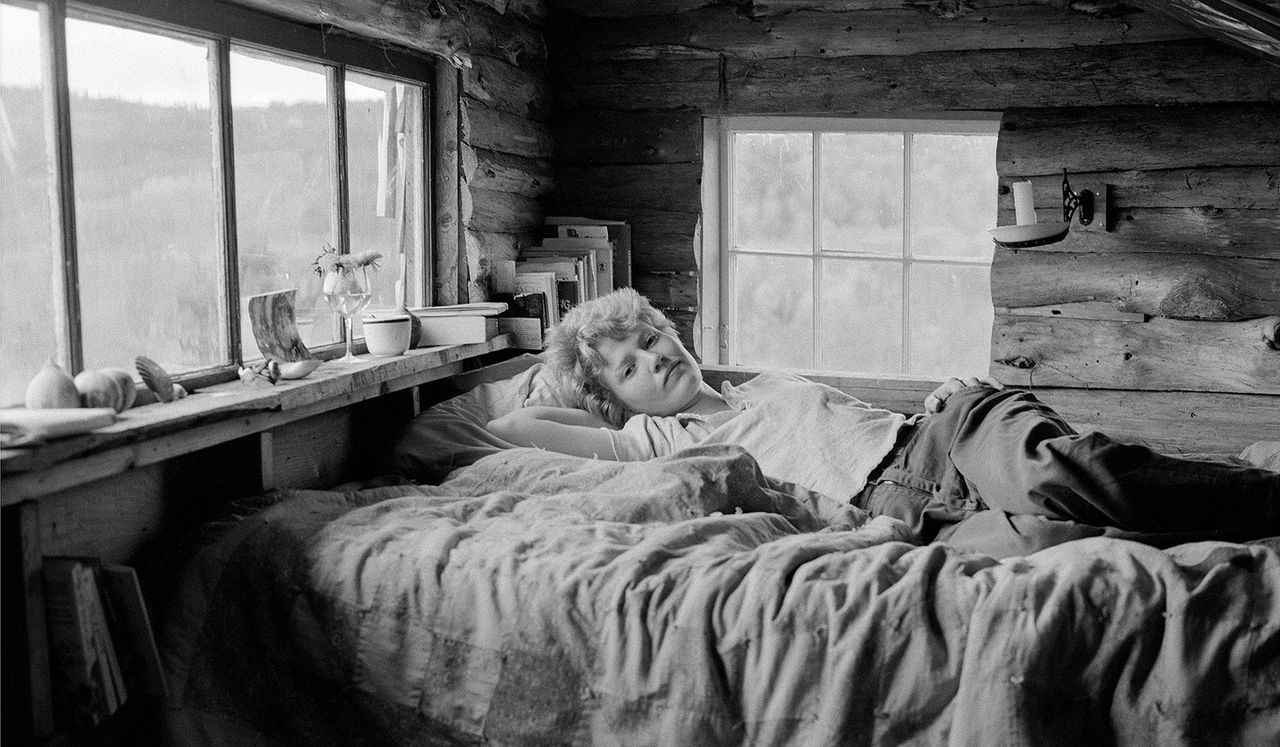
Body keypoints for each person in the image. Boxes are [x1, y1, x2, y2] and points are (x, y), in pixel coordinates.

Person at [486, 289, 1280, 551]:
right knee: (1074, 544)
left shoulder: (767, 382)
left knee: (1059, 475)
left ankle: (1268, 483)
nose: (655, 357)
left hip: (946, 433)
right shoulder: (650, 440)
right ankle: (1246, 480)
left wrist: (944, 401)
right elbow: (513, 430)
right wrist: (560, 372)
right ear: (614, 401)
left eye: (652, 336)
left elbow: (877, 427)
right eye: (629, 365)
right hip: (908, 512)